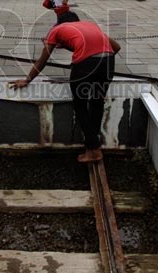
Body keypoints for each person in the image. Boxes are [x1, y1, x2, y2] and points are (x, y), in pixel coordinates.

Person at [10, 11, 121, 163]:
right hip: (108, 62)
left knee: (80, 105)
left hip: (85, 65)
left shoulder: (56, 30)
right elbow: (116, 47)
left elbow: (42, 60)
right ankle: (92, 149)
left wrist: (27, 80)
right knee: (96, 102)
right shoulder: (90, 25)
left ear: (59, 23)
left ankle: (94, 150)